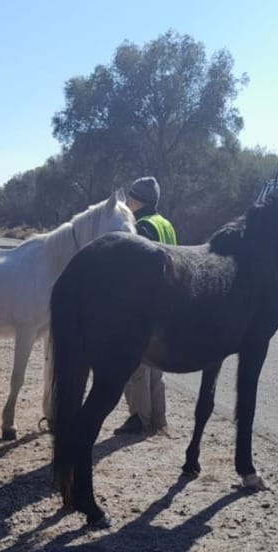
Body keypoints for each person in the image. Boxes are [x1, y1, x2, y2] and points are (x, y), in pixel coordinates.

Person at [115, 176, 178, 436]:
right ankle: (158, 418)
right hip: (168, 301)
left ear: (135, 199)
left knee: (136, 363)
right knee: (156, 365)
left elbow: (134, 269)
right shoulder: (166, 224)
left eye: (130, 197)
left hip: (144, 303)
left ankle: (140, 418)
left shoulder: (140, 226)